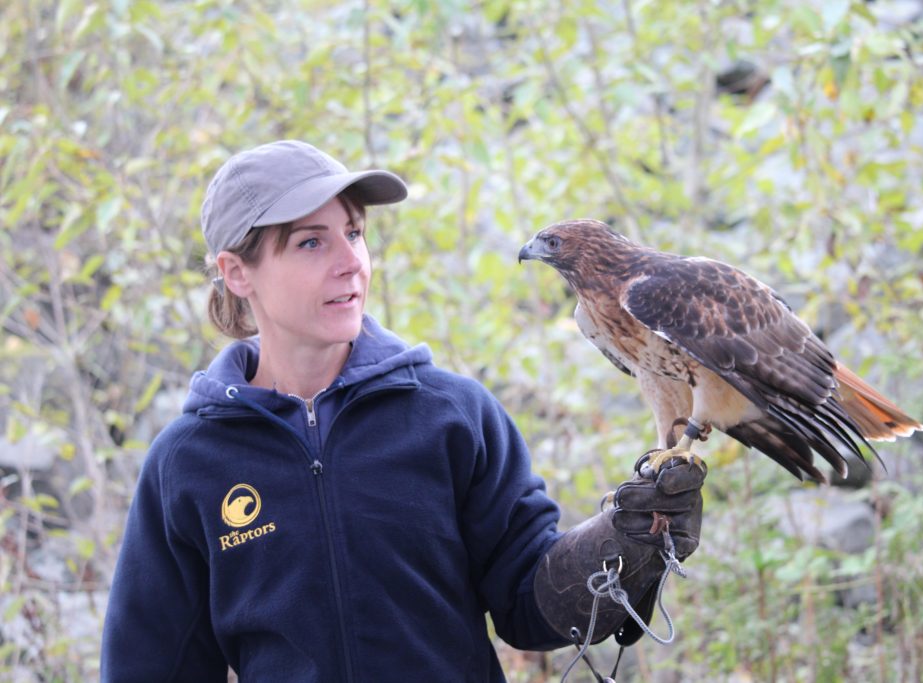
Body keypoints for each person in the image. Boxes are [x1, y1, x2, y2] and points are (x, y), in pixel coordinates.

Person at [100, 140, 706, 681]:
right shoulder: (188, 462)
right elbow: (150, 666)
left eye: (355, 233)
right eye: (312, 241)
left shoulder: (453, 417)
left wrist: (619, 547)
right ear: (237, 273)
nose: (351, 262)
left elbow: (530, 607)